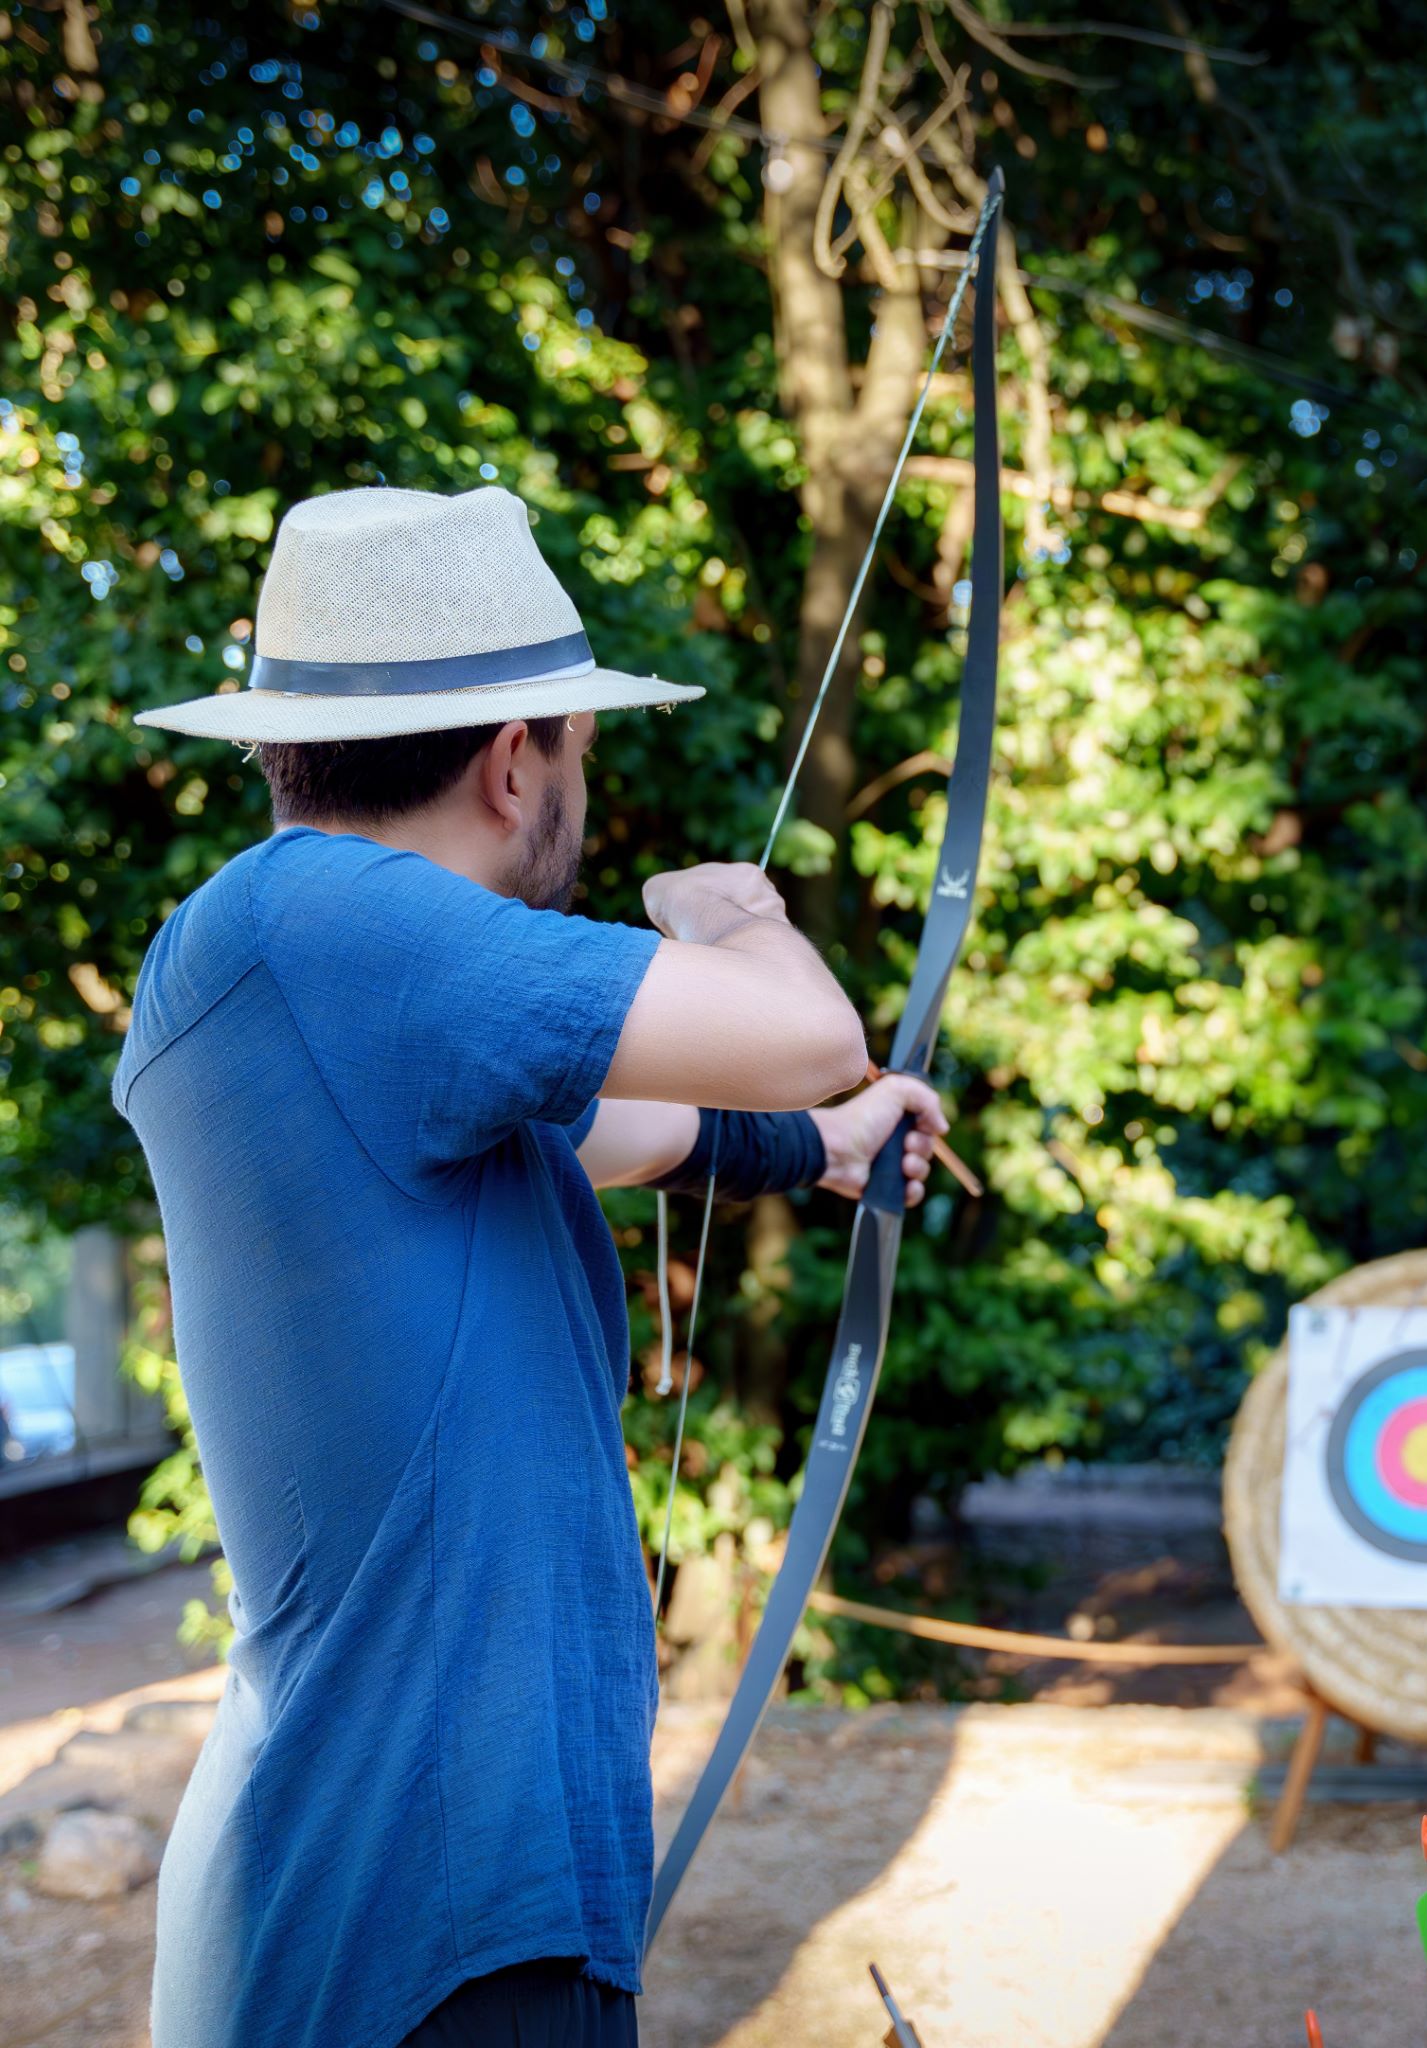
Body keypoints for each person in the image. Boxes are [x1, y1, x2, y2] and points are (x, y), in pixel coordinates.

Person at [113, 484, 948, 2048]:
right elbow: (805, 1032)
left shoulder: (317, 975)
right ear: (514, 762)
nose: (577, 780)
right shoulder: (329, 919)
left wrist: (820, 1152)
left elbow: (598, 1134)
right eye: (575, 744)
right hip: (426, 1901)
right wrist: (731, 916)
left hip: (418, 1885)